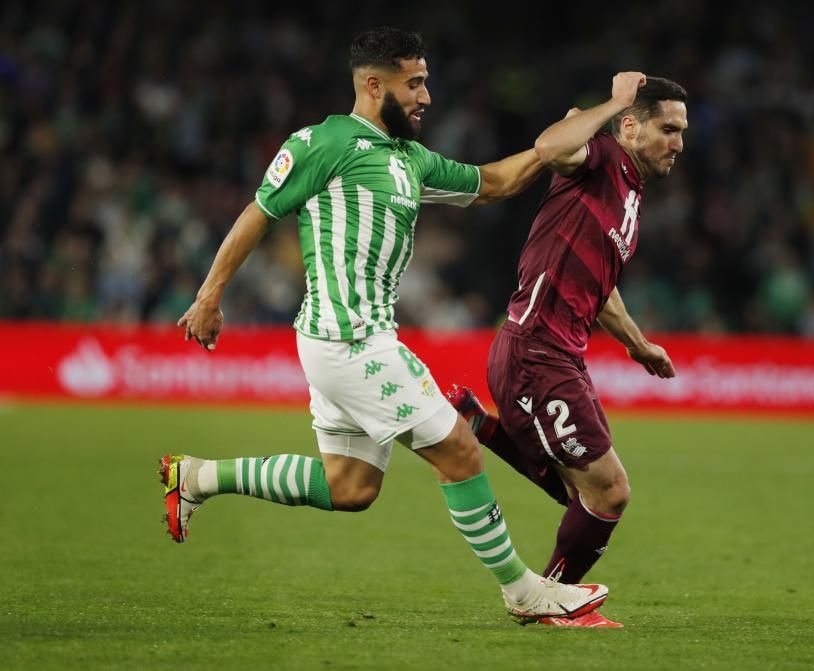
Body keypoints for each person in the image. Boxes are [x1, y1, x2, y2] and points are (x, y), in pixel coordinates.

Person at [162, 27, 607, 624]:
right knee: (459, 450)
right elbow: (259, 211)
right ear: (374, 85)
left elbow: (495, 182)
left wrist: (555, 145)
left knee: (350, 488)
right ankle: (526, 593)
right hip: (348, 339)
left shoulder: (412, 159)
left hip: (351, 341)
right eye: (415, 83)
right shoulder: (325, 142)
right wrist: (210, 295)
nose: (426, 97)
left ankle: (195, 477)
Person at [448, 72, 686, 627]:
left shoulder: (627, 191)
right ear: (631, 127)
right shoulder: (599, 156)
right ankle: (548, 600)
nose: (679, 143)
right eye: (668, 129)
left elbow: (599, 291)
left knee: (589, 492)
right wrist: (616, 101)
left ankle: (482, 427)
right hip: (536, 353)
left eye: (682, 132)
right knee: (609, 491)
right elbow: (549, 147)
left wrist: (639, 345)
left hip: (557, 356)